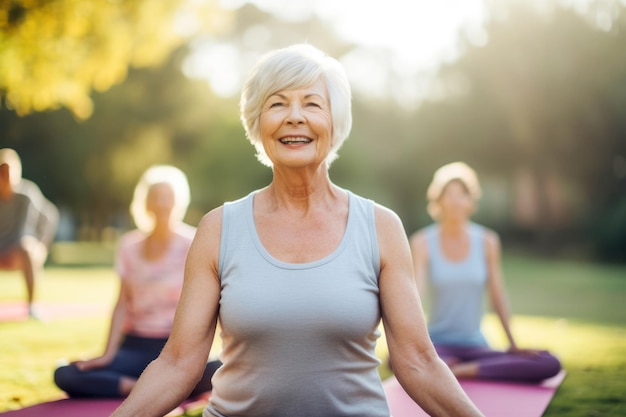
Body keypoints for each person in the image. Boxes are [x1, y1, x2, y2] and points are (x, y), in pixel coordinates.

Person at [110, 44, 484, 417]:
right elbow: (178, 364)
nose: (294, 117)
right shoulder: (218, 229)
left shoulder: (381, 227)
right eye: (277, 104)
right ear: (257, 122)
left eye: (311, 103)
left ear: (335, 121)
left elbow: (418, 361)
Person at [54, 165, 221, 398]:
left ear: (178, 203)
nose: (162, 204)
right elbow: (122, 303)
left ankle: (152, 386)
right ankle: (145, 388)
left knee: (219, 369)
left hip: (177, 347)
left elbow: (213, 300)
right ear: (145, 203)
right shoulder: (128, 246)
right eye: (156, 198)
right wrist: (107, 355)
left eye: (168, 198)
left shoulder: (195, 241)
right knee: (65, 373)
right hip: (134, 345)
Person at [409, 162, 562, 383]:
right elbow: (415, 296)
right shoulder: (422, 242)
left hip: (477, 347)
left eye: (462, 194)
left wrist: (513, 344)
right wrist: (412, 344)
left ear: (471, 202)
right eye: (448, 194)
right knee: (401, 360)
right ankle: (449, 368)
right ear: (438, 201)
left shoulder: (487, 241)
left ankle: (460, 371)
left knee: (549, 362)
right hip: (437, 346)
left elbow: (497, 296)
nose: (455, 200)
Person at [0, 148, 59, 319]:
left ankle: (32, 306)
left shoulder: (26, 195)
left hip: (16, 248)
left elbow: (49, 216)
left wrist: (42, 246)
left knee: (26, 248)